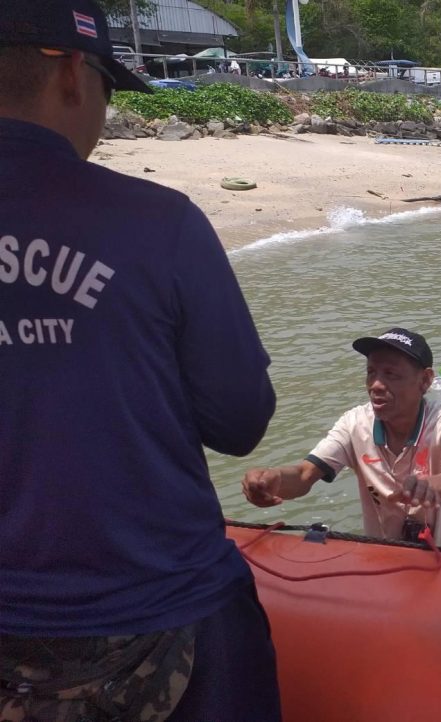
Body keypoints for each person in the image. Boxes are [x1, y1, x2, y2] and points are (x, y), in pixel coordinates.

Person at [0, 2, 281, 720]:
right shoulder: (157, 223)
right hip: (163, 617)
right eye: (109, 84)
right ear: (71, 73)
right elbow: (239, 422)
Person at [242, 328, 441, 550]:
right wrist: (272, 480)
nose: (375, 385)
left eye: (391, 374)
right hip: (384, 559)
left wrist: (431, 486)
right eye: (371, 372)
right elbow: (304, 475)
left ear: (425, 381)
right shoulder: (354, 423)